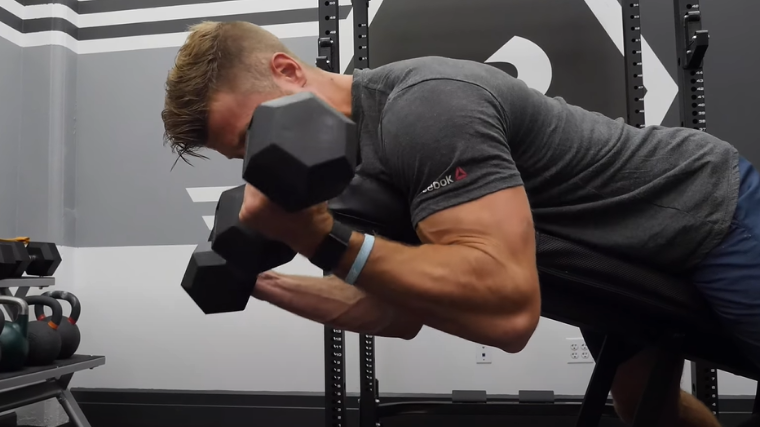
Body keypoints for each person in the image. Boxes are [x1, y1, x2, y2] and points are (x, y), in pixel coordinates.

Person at [160, 21, 759, 427]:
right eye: (243, 159)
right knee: (644, 410)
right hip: (624, 262)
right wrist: (256, 281)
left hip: (706, 210)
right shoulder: (348, 186)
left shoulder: (424, 107)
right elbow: (394, 313)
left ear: (289, 71)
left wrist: (320, 239)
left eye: (251, 137)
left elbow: (509, 311)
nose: (259, 167)